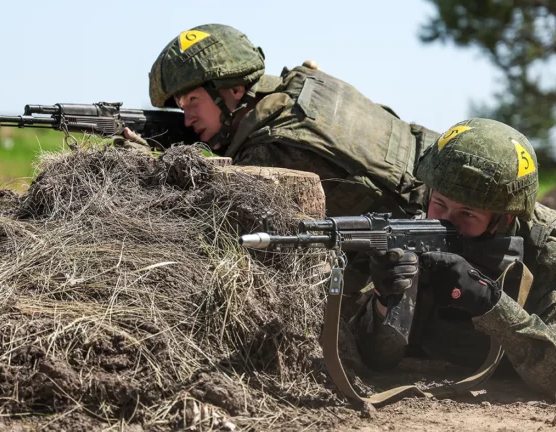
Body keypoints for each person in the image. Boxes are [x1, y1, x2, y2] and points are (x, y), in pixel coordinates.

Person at [133, 23, 439, 309]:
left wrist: (150, 167)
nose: (187, 119)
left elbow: (213, 232)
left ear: (235, 90)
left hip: (424, 252)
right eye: (182, 107)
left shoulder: (269, 150)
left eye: (193, 101)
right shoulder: (303, 83)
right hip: (438, 183)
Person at [354, 118, 556, 402]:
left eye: (468, 214)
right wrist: (383, 301)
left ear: (504, 219)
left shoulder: (553, 253)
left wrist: (490, 302)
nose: (446, 222)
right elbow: (373, 359)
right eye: (439, 203)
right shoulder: (414, 232)